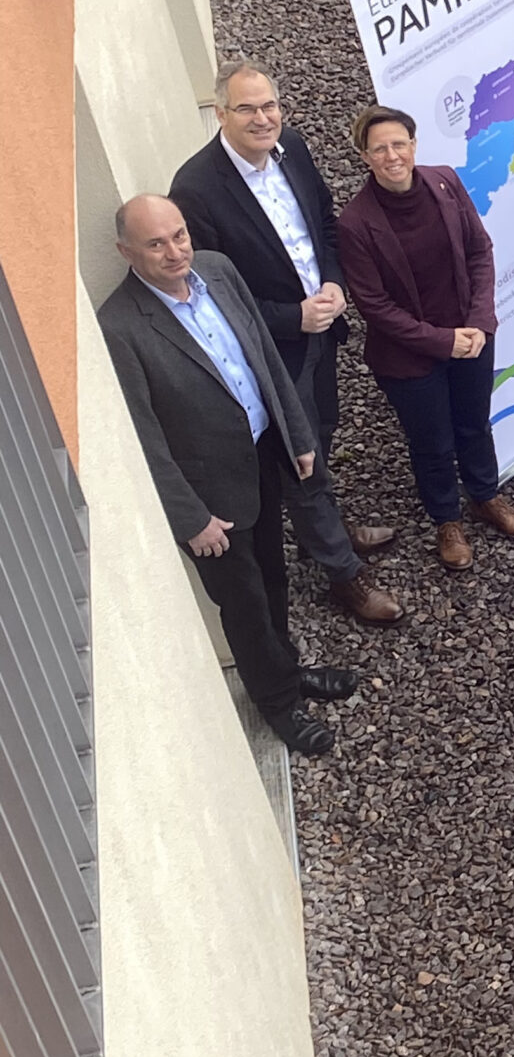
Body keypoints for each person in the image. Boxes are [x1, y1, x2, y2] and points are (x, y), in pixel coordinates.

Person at [99, 196, 352, 757]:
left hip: (262, 454)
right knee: (243, 602)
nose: (175, 251)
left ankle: (287, 669)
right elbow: (143, 436)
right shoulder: (119, 327)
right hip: (210, 496)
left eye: (179, 235)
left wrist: (296, 437)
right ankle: (279, 703)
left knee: (275, 577)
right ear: (126, 252)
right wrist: (191, 519)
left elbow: (262, 355)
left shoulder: (216, 269)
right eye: (156, 243)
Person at [168, 61, 401, 624]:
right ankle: (342, 573)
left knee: (322, 429)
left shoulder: (292, 147)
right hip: (273, 349)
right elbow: (214, 294)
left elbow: (323, 220)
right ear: (220, 114)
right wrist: (292, 317)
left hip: (323, 325)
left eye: (270, 105)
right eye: (246, 108)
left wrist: (334, 283)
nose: (262, 118)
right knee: (299, 461)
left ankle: (327, 527)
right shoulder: (196, 190)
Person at [334, 107, 514, 570]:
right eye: (380, 148)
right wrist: (444, 342)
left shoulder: (445, 182)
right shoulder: (355, 223)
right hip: (409, 356)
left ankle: (486, 496)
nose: (392, 155)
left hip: (470, 335)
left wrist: (480, 321)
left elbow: (479, 250)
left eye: (399, 144)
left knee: (474, 423)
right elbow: (376, 307)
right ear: (364, 156)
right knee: (432, 442)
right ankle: (447, 520)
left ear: (414, 144)